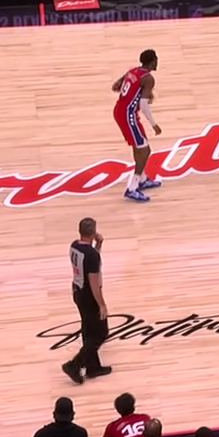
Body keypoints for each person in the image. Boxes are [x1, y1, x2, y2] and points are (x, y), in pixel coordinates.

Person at [62, 217, 112, 383]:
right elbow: (93, 281)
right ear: (94, 232)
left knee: (88, 330)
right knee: (101, 333)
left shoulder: (75, 245)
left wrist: (98, 245)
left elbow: (89, 261)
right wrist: (102, 304)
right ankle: (74, 365)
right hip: (89, 295)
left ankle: (93, 367)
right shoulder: (91, 255)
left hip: (77, 291)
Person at [112, 50, 163, 203]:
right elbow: (144, 106)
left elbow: (116, 85)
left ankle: (143, 179)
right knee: (145, 150)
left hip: (121, 110)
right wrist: (154, 124)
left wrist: (136, 92)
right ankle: (133, 187)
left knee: (139, 146)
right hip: (128, 115)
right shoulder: (148, 79)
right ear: (152, 62)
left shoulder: (133, 71)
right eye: (156, 59)